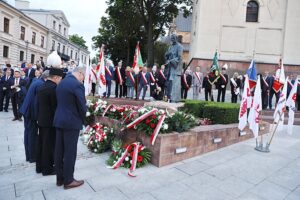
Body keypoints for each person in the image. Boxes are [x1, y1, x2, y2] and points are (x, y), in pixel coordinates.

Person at [53, 67, 86, 189]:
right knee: (70, 152)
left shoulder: (62, 82)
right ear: (80, 73)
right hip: (71, 122)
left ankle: (60, 179)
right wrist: (85, 121)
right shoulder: (77, 85)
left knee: (59, 150)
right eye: (83, 77)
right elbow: (82, 106)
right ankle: (68, 180)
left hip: (59, 120)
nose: (83, 80)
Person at [36, 68, 63, 175]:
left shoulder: (42, 86)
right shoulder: (54, 88)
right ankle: (47, 169)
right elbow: (55, 107)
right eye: (60, 78)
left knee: (41, 144)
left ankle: (39, 167)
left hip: (41, 119)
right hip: (50, 122)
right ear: (55, 77)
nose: (60, 81)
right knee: (49, 145)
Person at [20, 70, 49, 163]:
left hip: (26, 110)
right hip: (31, 112)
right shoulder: (41, 84)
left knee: (28, 133)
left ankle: (28, 155)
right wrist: (37, 117)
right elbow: (36, 102)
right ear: (46, 78)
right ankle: (32, 157)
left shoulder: (37, 82)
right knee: (31, 135)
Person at [165, 34, 183, 103]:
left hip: (175, 68)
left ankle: (174, 99)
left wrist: (172, 61)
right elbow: (167, 55)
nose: (172, 40)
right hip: (170, 67)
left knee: (175, 83)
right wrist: (167, 55)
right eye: (171, 39)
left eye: (173, 39)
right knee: (170, 83)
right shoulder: (170, 46)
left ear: (176, 38)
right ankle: (170, 98)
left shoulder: (180, 46)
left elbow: (180, 57)